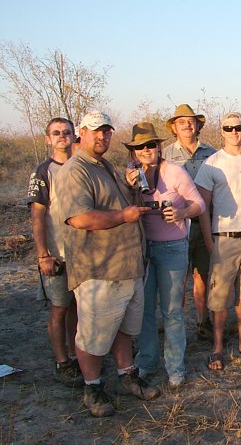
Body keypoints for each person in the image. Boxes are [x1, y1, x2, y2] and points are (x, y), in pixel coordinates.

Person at [56, 111, 161, 418]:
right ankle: (93, 387)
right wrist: (123, 216)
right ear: (82, 134)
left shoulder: (107, 167)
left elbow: (124, 202)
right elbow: (79, 218)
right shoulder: (74, 171)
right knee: (92, 335)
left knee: (125, 329)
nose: (102, 137)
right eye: (95, 132)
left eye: (106, 132)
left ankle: (128, 376)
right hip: (98, 269)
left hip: (127, 265)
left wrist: (130, 188)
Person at [125, 122, 205, 388]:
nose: (147, 150)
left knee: (172, 311)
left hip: (172, 248)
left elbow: (199, 204)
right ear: (133, 151)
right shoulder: (130, 176)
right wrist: (129, 188)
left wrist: (182, 213)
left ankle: (175, 366)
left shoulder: (174, 171)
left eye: (151, 145)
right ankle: (146, 361)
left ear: (159, 147)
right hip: (143, 251)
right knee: (145, 309)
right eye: (140, 147)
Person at [195, 112, 241, 371]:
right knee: (219, 296)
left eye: (238, 127)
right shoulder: (211, 164)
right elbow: (202, 207)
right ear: (222, 132)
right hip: (223, 239)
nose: (234, 132)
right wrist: (209, 241)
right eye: (228, 128)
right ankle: (217, 347)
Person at [27, 117, 81, 386]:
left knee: (77, 308)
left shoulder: (80, 167)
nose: (62, 136)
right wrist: (42, 255)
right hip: (56, 255)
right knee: (59, 308)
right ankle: (62, 361)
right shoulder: (43, 171)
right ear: (48, 138)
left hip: (81, 254)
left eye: (67, 132)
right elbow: (38, 216)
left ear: (74, 136)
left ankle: (75, 355)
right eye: (56, 133)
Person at [163, 104, 216, 340]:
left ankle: (202, 322)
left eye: (191, 121)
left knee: (202, 275)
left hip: (205, 223)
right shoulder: (164, 154)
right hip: (175, 226)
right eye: (181, 121)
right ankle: (175, 324)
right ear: (174, 127)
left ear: (198, 125)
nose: (187, 125)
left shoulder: (212, 154)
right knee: (177, 279)